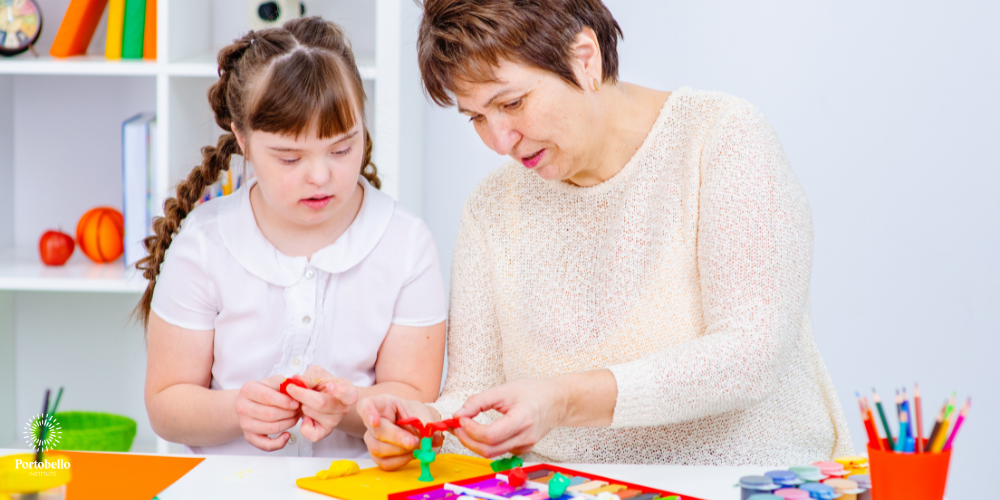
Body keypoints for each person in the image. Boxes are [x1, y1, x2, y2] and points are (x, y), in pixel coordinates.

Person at [358, 0, 853, 466]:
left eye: (511, 103)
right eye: (477, 118)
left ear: (585, 58)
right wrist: (431, 427)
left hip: (748, 479)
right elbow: (475, 394)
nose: (499, 140)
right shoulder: (490, 208)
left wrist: (565, 400)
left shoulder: (721, 139)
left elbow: (751, 355)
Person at [137, 17, 447, 457]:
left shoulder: (406, 244)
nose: (321, 176)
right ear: (242, 139)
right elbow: (166, 404)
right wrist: (237, 409)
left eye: (341, 149)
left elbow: (415, 398)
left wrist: (348, 407)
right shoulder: (205, 246)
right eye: (289, 157)